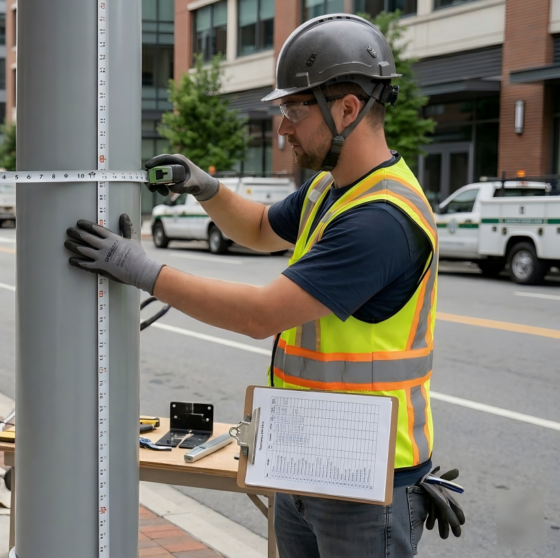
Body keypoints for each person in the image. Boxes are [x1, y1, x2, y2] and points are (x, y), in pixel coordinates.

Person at [63, 14, 463, 558]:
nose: (282, 129)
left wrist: (140, 269)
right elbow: (256, 228)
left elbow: (259, 314)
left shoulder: (382, 220)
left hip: (366, 476)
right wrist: (206, 189)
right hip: (308, 456)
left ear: (347, 108)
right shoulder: (332, 190)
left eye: (294, 111)